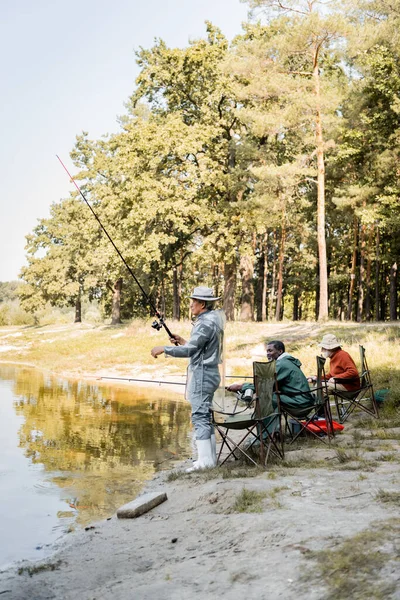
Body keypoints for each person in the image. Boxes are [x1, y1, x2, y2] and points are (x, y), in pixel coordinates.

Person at [151, 287, 225, 471]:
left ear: (203, 304)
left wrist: (163, 348)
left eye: (194, 301)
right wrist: (184, 341)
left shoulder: (205, 323)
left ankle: (205, 463)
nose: (191, 304)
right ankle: (208, 460)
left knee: (200, 416)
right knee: (205, 416)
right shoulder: (213, 319)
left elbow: (191, 351)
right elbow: (200, 347)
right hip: (210, 372)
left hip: (203, 375)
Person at [227, 340, 314, 414]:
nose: (268, 354)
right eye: (267, 351)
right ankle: (272, 430)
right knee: (270, 395)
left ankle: (267, 432)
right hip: (303, 400)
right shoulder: (286, 361)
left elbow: (264, 386)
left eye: (270, 351)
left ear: (280, 351)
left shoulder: (282, 364)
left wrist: (240, 386)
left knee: (266, 397)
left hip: (300, 404)